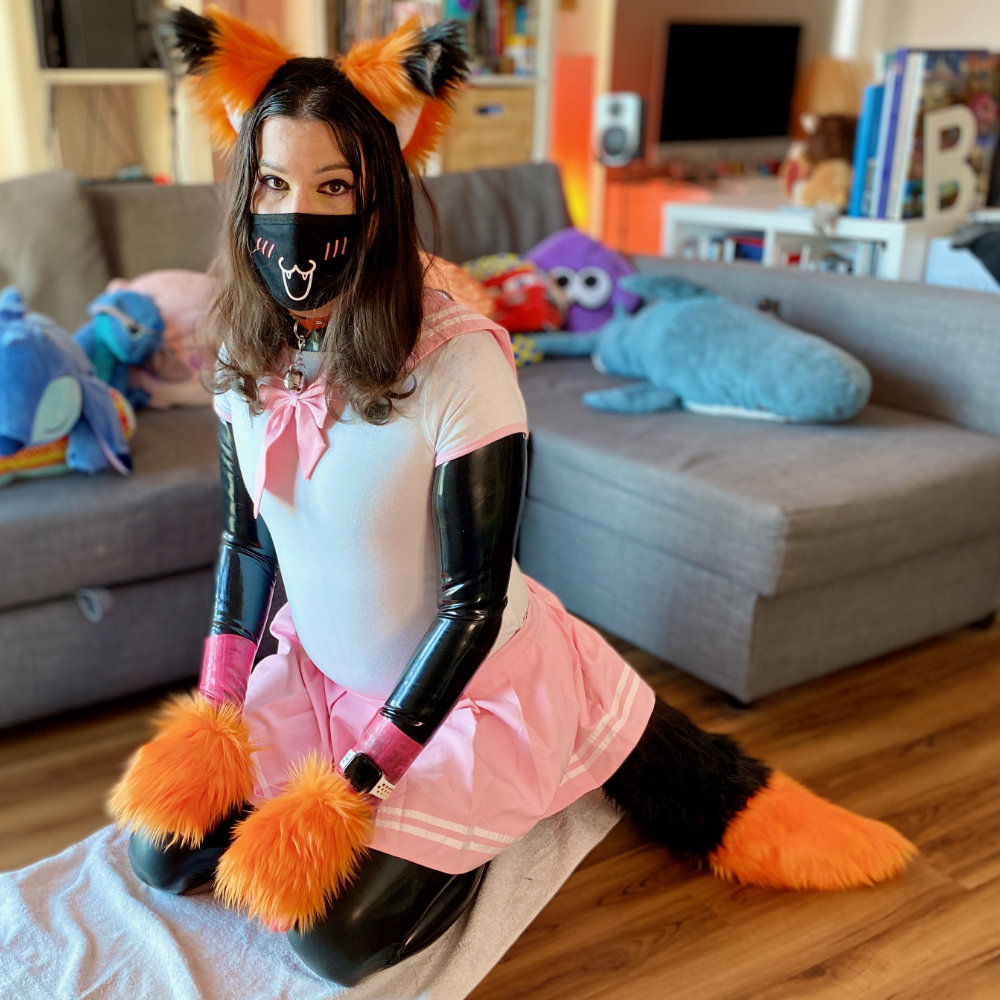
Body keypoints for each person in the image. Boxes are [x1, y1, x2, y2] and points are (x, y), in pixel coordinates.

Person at [111, 9, 916, 987]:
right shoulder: (243, 345)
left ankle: (496, 808)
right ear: (244, 194)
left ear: (377, 199)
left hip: (461, 695)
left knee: (331, 939)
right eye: (275, 183)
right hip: (322, 672)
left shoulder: (456, 358)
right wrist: (216, 715)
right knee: (161, 850)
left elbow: (474, 605)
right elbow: (247, 545)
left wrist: (355, 785)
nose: (298, 213)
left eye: (333, 186)